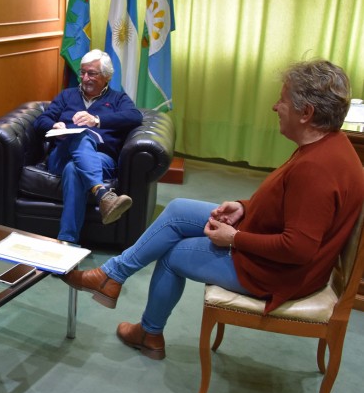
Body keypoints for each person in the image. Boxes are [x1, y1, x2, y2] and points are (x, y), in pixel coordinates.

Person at [62, 59, 364, 360]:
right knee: (178, 209)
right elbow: (293, 207)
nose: (275, 107)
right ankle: (113, 276)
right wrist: (244, 208)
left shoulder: (317, 169)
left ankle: (146, 330)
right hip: (268, 243)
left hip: (276, 273)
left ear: (306, 113)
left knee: (172, 254)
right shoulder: (332, 145)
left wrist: (234, 239)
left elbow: (298, 247)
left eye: (282, 100)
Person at [33, 49, 143, 244]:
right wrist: (54, 125)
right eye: (82, 72)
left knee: (74, 169)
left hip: (101, 158)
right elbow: (41, 120)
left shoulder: (118, 99)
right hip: (61, 154)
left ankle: (67, 241)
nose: (85, 78)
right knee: (79, 134)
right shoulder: (67, 96)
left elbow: (135, 117)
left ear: (107, 76)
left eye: (92, 73)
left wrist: (97, 120)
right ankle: (102, 194)